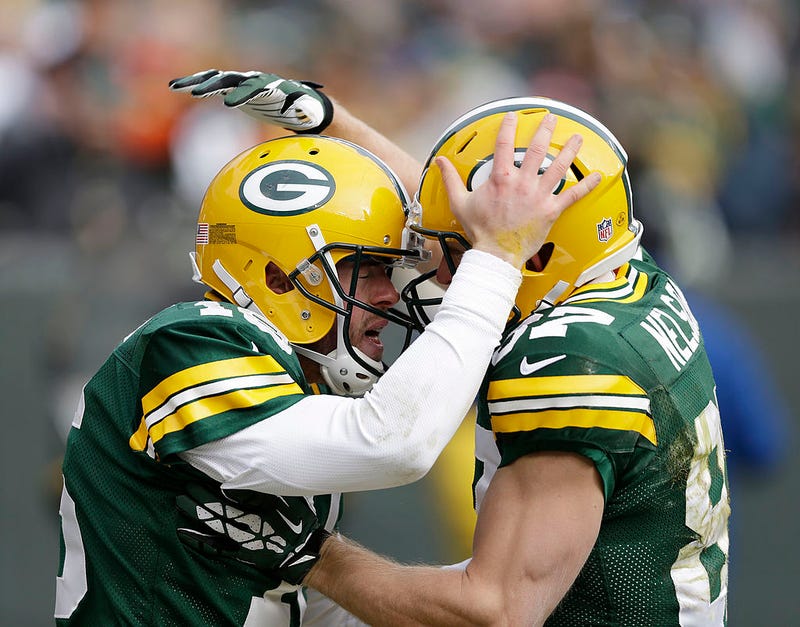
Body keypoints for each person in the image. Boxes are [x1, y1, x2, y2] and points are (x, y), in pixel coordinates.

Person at [173, 73, 730, 626]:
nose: (435, 271)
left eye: (462, 253)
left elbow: (495, 614)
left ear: (533, 253)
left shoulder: (570, 361)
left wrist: (312, 556)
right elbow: (474, 218)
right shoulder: (619, 275)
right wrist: (334, 122)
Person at [55, 89, 599, 623]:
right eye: (370, 270)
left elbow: (301, 607)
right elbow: (393, 442)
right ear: (278, 276)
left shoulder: (298, 386)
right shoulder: (188, 345)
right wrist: (498, 257)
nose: (390, 294)